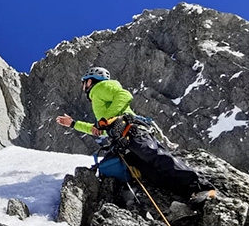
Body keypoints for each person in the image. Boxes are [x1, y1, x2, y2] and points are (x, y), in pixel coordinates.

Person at [56, 67, 216, 203]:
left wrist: (107, 118)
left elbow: (124, 95)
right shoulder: (98, 99)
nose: (83, 86)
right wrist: (73, 123)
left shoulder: (102, 87)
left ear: (90, 80)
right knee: (154, 173)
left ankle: (203, 187)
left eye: (84, 82)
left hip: (132, 132)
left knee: (157, 158)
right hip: (124, 140)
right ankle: (191, 194)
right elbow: (100, 129)